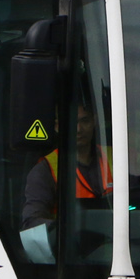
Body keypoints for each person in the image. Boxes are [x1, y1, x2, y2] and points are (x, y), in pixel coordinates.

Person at [20, 105, 111, 261]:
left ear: (95, 121)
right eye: (71, 122)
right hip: (71, 260)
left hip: (118, 251)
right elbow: (31, 223)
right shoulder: (44, 171)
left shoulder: (116, 157)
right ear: (56, 127)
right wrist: (69, 230)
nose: (78, 129)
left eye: (85, 120)